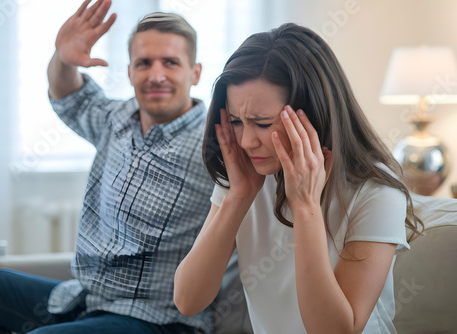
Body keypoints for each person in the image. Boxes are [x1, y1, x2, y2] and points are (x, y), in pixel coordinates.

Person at [0, 1, 227, 333]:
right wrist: (63, 58)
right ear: (130, 71)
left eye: (170, 62)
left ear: (195, 72)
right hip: (89, 301)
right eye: (144, 63)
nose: (156, 75)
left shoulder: (216, 146)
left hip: (159, 320)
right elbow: (66, 92)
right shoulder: (116, 119)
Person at [174, 22, 424, 334]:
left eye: (262, 123)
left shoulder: (377, 192)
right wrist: (238, 196)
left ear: (313, 116)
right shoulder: (248, 172)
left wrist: (306, 207)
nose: (246, 141)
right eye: (236, 122)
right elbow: (187, 300)